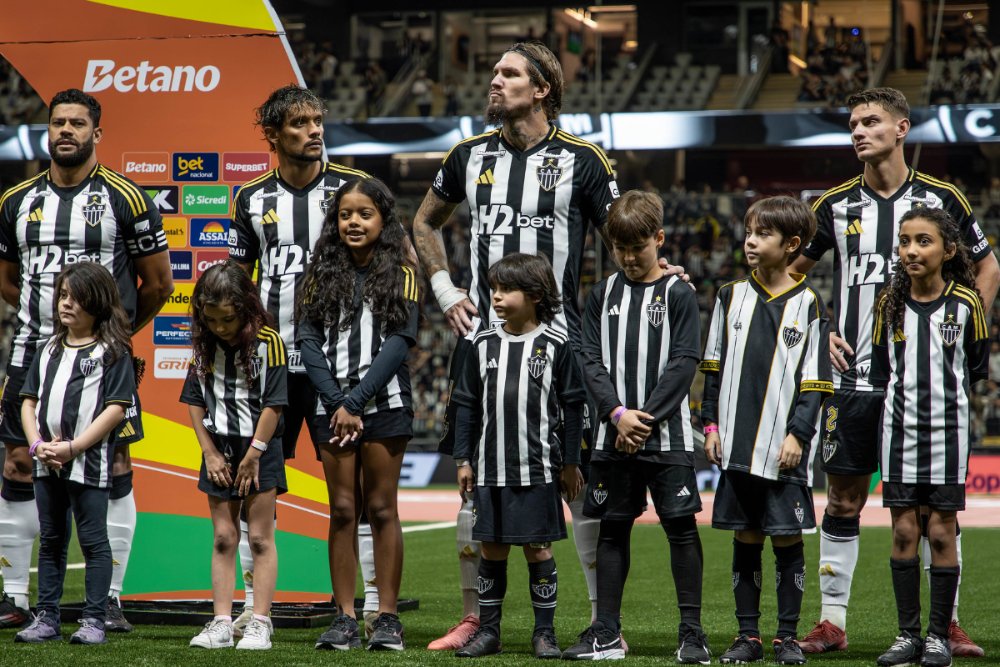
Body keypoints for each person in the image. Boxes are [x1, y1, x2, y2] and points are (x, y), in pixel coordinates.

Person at [412, 40, 620, 651]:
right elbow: (424, 221)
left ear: (543, 88)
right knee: (472, 488)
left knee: (573, 482)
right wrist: (448, 290)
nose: (494, 81)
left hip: (561, 345)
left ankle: (599, 626)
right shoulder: (467, 155)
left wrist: (659, 276)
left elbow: (623, 237)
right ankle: (478, 617)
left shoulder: (584, 161)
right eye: (494, 71)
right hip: (481, 344)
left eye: (508, 74)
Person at [791, 87, 998, 657]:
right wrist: (820, 326)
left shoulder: (942, 198)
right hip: (855, 380)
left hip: (925, 384)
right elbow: (790, 277)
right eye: (853, 122)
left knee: (937, 510)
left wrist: (958, 339)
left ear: (902, 127)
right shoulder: (833, 204)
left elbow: (987, 267)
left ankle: (944, 625)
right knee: (842, 499)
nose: (858, 131)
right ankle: (832, 623)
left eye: (871, 121)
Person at [0, 88, 173, 632]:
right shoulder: (15, 201)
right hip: (31, 356)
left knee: (114, 468)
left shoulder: (128, 198)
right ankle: (16, 597)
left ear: (98, 133)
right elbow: (9, 281)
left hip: (102, 362)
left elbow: (160, 283)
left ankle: (111, 600)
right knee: (17, 465)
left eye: (78, 123)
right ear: (47, 131)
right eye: (58, 123)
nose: (66, 131)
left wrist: (110, 339)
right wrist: (51, 332)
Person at [228, 85, 379, 635]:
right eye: (300, 123)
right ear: (272, 135)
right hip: (272, 365)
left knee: (353, 496)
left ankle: (370, 609)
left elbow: (387, 269)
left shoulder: (348, 192)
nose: (314, 130)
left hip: (337, 365)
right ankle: (253, 605)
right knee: (256, 487)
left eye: (318, 120)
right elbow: (237, 285)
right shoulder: (249, 199)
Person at [563, 191, 707, 663]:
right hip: (613, 434)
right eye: (618, 248)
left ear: (659, 239)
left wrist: (642, 419)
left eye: (637, 247)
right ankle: (605, 631)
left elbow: (685, 361)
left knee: (681, 530)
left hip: (666, 437)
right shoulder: (601, 294)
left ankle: (692, 633)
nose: (627, 257)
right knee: (613, 530)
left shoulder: (679, 293)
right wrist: (616, 414)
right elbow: (589, 359)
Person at [703, 195, 832, 665]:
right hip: (736, 446)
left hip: (782, 449)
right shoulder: (729, 296)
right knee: (746, 538)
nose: (750, 241)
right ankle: (748, 636)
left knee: (787, 539)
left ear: (792, 244)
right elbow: (713, 370)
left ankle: (787, 636)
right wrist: (711, 425)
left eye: (762, 234)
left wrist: (799, 434)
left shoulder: (809, 304)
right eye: (749, 232)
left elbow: (815, 382)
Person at [297, 177, 419, 651]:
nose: (353, 222)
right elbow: (308, 343)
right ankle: (344, 615)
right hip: (332, 407)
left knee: (383, 508)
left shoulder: (403, 273)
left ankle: (386, 617)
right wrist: (335, 402)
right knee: (343, 509)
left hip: (383, 407)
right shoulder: (318, 276)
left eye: (364, 214)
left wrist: (354, 402)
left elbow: (398, 345)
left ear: (383, 220)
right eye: (345, 214)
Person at [450, 252, 585, 659]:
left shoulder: (557, 345)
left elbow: (574, 406)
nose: (496, 296)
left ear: (536, 295)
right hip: (490, 470)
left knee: (538, 549)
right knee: (491, 550)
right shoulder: (480, 343)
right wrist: (462, 459)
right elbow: (466, 405)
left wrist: (571, 463)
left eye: (507, 289)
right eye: (493, 288)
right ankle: (489, 632)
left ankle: (544, 633)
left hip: (539, 469)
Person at [871, 208, 988, 667]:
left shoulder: (966, 303)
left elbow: (974, 368)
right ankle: (907, 636)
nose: (911, 251)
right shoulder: (889, 303)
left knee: (940, 533)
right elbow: (882, 369)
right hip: (898, 432)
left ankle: (938, 637)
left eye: (923, 241)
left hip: (948, 433)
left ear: (949, 251)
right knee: (902, 530)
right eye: (904, 242)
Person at [13, 263, 138, 645]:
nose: (66, 304)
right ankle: (47, 616)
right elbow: (28, 401)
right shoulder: (49, 347)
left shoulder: (113, 352)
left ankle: (94, 620)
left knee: (93, 541)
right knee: (50, 539)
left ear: (97, 302)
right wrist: (37, 445)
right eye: (63, 295)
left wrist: (74, 447)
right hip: (47, 460)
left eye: (75, 297)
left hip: (88, 462)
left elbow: (116, 408)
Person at [181, 262, 287, 651]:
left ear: (245, 309)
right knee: (224, 537)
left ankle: (260, 622)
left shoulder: (269, 341)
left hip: (260, 447)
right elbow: (193, 399)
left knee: (259, 537)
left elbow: (275, 404)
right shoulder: (202, 342)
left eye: (228, 319)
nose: (220, 328)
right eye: (211, 320)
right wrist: (208, 451)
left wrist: (255, 454)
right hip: (220, 449)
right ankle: (222, 622)